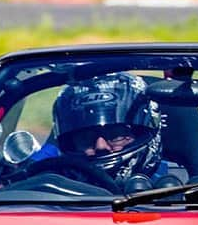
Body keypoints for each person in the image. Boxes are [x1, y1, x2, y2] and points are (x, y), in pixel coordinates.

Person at [35, 73, 168, 183]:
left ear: (141, 133)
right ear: (71, 143)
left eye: (115, 135)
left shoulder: (180, 188)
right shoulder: (51, 182)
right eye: (85, 138)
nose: (100, 146)